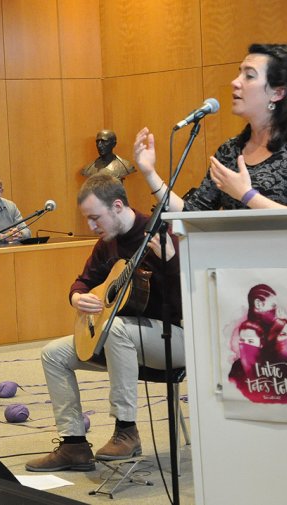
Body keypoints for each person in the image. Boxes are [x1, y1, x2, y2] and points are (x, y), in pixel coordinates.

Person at [25, 174, 183, 472]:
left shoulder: (161, 235)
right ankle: (73, 445)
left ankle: (126, 430)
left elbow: (190, 297)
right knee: (53, 354)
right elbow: (83, 282)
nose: (91, 227)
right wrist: (77, 298)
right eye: (88, 219)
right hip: (123, 342)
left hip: (173, 339)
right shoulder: (106, 244)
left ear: (118, 206)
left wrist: (172, 262)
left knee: (115, 329)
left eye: (96, 218)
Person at [133, 43, 287, 210]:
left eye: (249, 75)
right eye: (239, 74)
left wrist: (246, 195)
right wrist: (150, 173)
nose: (235, 82)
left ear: (278, 93)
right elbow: (192, 214)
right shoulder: (230, 150)